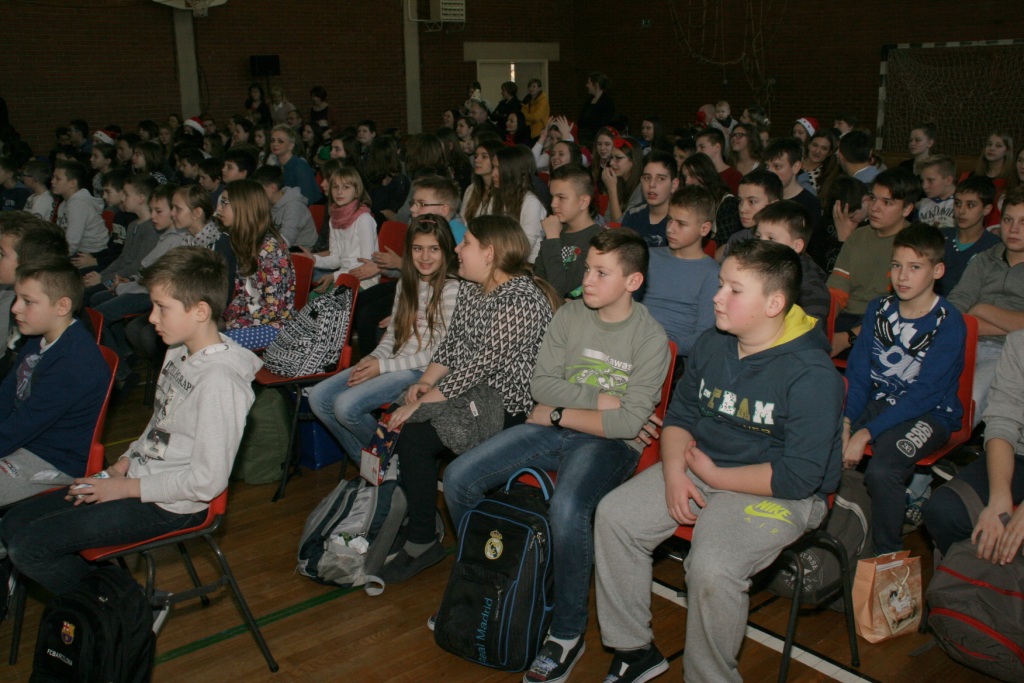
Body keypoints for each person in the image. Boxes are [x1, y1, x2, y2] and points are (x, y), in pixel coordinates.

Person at [593, 239, 843, 683]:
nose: (717, 296)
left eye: (734, 289)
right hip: (701, 466)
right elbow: (680, 418)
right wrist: (675, 474)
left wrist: (715, 476)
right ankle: (634, 650)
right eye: (721, 283)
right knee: (615, 516)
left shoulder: (812, 374)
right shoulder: (714, 343)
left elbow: (799, 477)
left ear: (774, 304)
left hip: (779, 490)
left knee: (713, 566)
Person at [444, 228, 670, 683]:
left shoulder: (651, 338)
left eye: (601, 273)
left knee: (568, 506)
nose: (587, 279)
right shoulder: (569, 315)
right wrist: (602, 400)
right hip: (557, 428)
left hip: (608, 444)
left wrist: (560, 412)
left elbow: (628, 425)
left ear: (632, 282)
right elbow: (540, 385)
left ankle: (567, 631)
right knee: (458, 477)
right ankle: (493, 579)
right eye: (587, 268)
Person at [1, 247, 260, 603]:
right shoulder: (179, 349)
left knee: (30, 548)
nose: (152, 318)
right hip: (138, 480)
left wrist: (124, 488)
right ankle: (114, 595)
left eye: (162, 307)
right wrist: (123, 463)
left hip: (173, 505)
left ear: (200, 311)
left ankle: (123, 607)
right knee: (15, 523)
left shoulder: (220, 383)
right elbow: (160, 423)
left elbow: (206, 482)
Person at [376, 215, 558, 584]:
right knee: (400, 418)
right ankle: (419, 523)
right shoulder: (474, 289)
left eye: (466, 243)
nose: (457, 249)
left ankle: (422, 540)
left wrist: (421, 405)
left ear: (489, 253)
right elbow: (453, 346)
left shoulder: (520, 300)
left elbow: (477, 368)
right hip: (473, 392)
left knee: (414, 431)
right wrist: (425, 383)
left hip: (508, 406)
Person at [842, 223, 966, 554]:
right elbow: (859, 375)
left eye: (915, 267)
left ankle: (888, 556)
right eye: (897, 265)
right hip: (881, 402)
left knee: (883, 470)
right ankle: (837, 537)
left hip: (930, 414)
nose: (902, 276)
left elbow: (925, 395)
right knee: (822, 439)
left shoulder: (948, 321)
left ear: (937, 271)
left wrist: (865, 432)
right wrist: (845, 422)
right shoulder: (878, 309)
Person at [309, 215, 460, 462]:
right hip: (394, 363)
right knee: (319, 397)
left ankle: (391, 463)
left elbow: (440, 353)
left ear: (446, 251)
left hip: (421, 371)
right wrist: (373, 357)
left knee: (346, 407)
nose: (425, 257)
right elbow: (392, 335)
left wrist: (383, 366)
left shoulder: (452, 288)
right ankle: (376, 469)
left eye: (434, 249)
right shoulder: (407, 283)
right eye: (418, 249)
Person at [0, 255, 110, 506]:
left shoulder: (74, 362)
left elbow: (25, 424)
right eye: (17, 298)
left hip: (52, 459)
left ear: (62, 306)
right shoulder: (37, 336)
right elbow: (7, 393)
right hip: (25, 439)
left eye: (28, 301)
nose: (15, 308)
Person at [923, 328, 1024, 560]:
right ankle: (974, 579)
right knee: (946, 509)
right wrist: (999, 497)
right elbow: (1002, 421)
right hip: (1019, 453)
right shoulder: (1019, 342)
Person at [948, 185, 1024, 427]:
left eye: (1023, 222)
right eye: (1008, 220)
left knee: (970, 399)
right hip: (965, 342)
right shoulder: (985, 259)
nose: (1014, 229)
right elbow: (956, 305)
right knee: (923, 388)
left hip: (1009, 353)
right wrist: (1009, 324)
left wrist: (981, 309)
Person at [829, 168, 921, 357]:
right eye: (873, 198)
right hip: (848, 317)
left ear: (907, 209)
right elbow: (837, 291)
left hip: (887, 327)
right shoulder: (858, 236)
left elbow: (904, 310)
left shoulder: (916, 244)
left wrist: (848, 338)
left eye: (887, 202)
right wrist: (825, 325)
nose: (875, 208)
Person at [640, 185, 719, 364]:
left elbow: (703, 336)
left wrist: (664, 347)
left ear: (704, 228)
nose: (670, 229)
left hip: (670, 354)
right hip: (632, 338)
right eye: (669, 220)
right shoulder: (649, 256)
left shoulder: (712, 274)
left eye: (681, 224)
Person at [217, 180, 296, 349]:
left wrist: (229, 325)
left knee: (219, 344)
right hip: (253, 320)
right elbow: (245, 297)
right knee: (205, 336)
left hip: (276, 327)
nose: (219, 209)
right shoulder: (246, 244)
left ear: (243, 206)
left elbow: (273, 311)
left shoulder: (270, 250)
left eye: (224, 202)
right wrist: (222, 318)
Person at [305, 165, 378, 291]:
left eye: (346, 187)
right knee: (311, 299)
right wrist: (314, 259)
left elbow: (365, 265)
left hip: (363, 282)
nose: (339, 192)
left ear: (357, 192)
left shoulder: (364, 220)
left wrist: (334, 276)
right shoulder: (334, 219)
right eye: (335, 187)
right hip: (343, 276)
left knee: (320, 302)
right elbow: (336, 259)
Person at [754, 200, 830, 321]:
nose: (761, 244)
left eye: (771, 238)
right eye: (758, 237)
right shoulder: (752, 270)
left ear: (796, 246)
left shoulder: (811, 289)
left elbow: (809, 329)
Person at [535, 164, 603, 299]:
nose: (553, 204)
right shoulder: (556, 229)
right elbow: (538, 277)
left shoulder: (597, 240)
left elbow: (559, 290)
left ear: (583, 202)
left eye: (561, 197)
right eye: (552, 196)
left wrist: (552, 239)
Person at [938, 175, 1000, 296]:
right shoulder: (939, 237)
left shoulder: (994, 246)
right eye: (957, 203)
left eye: (970, 205)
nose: (961, 211)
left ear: (987, 209)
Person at [488, 145, 548, 262]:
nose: (493, 174)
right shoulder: (496, 198)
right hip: (501, 262)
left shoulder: (531, 203)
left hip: (527, 266)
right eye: (493, 167)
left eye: (498, 168)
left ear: (512, 171)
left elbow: (524, 247)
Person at [717, 168, 782, 261]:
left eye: (752, 201)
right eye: (740, 201)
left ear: (774, 205)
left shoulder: (785, 241)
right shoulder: (737, 239)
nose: (742, 209)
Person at [681, 153, 742, 248]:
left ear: (705, 175)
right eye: (685, 177)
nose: (687, 182)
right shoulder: (691, 202)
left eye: (692, 175)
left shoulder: (727, 203)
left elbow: (725, 242)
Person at [621, 151, 680, 248]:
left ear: (674, 185)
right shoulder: (633, 215)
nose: (652, 184)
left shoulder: (681, 221)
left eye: (660, 179)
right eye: (647, 178)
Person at [251, 165, 317, 249]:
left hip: (300, 251)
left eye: (259, 189)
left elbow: (285, 240)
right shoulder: (267, 203)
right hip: (282, 248)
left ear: (273, 188)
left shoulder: (294, 206)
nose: (256, 193)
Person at [764, 137, 822, 233]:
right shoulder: (763, 196)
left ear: (795, 167)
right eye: (767, 166)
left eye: (777, 166)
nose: (770, 172)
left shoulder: (810, 204)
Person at [51, 160, 109, 257]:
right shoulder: (64, 203)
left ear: (72, 183)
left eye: (58, 179)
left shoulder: (78, 204)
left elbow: (72, 243)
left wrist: (55, 258)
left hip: (92, 255)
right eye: (53, 177)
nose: (52, 181)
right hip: (77, 252)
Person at [269, 124, 322, 205]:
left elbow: (307, 198)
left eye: (280, 141)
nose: (275, 144)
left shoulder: (300, 166)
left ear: (291, 146)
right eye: (272, 140)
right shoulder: (276, 166)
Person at [603, 136, 645, 222]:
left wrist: (611, 189)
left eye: (618, 158)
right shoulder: (618, 181)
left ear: (632, 160)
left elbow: (621, 225)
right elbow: (607, 219)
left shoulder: (641, 188)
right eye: (611, 157)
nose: (611, 163)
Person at [916, 155, 958, 228]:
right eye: (922, 181)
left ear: (948, 180)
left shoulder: (963, 205)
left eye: (930, 180)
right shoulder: (922, 205)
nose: (924, 186)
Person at [695, 128, 742, 194]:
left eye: (702, 147)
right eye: (696, 148)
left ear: (717, 147)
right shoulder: (699, 175)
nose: (697, 152)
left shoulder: (734, 176)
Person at [578, 72, 616, 145]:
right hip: (584, 139)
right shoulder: (588, 101)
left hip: (597, 139)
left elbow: (604, 123)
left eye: (589, 83)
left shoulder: (607, 103)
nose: (587, 85)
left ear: (596, 85)